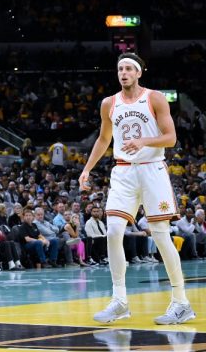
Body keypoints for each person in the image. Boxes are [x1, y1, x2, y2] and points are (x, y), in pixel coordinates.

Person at [80, 53, 194, 325]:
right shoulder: (109, 103)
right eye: (120, 68)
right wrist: (86, 169)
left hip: (152, 170)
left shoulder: (155, 98)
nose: (124, 72)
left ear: (139, 72)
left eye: (129, 68)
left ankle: (181, 303)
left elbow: (171, 138)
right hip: (123, 171)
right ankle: (119, 301)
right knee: (113, 231)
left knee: (161, 236)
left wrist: (143, 141)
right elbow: (104, 138)